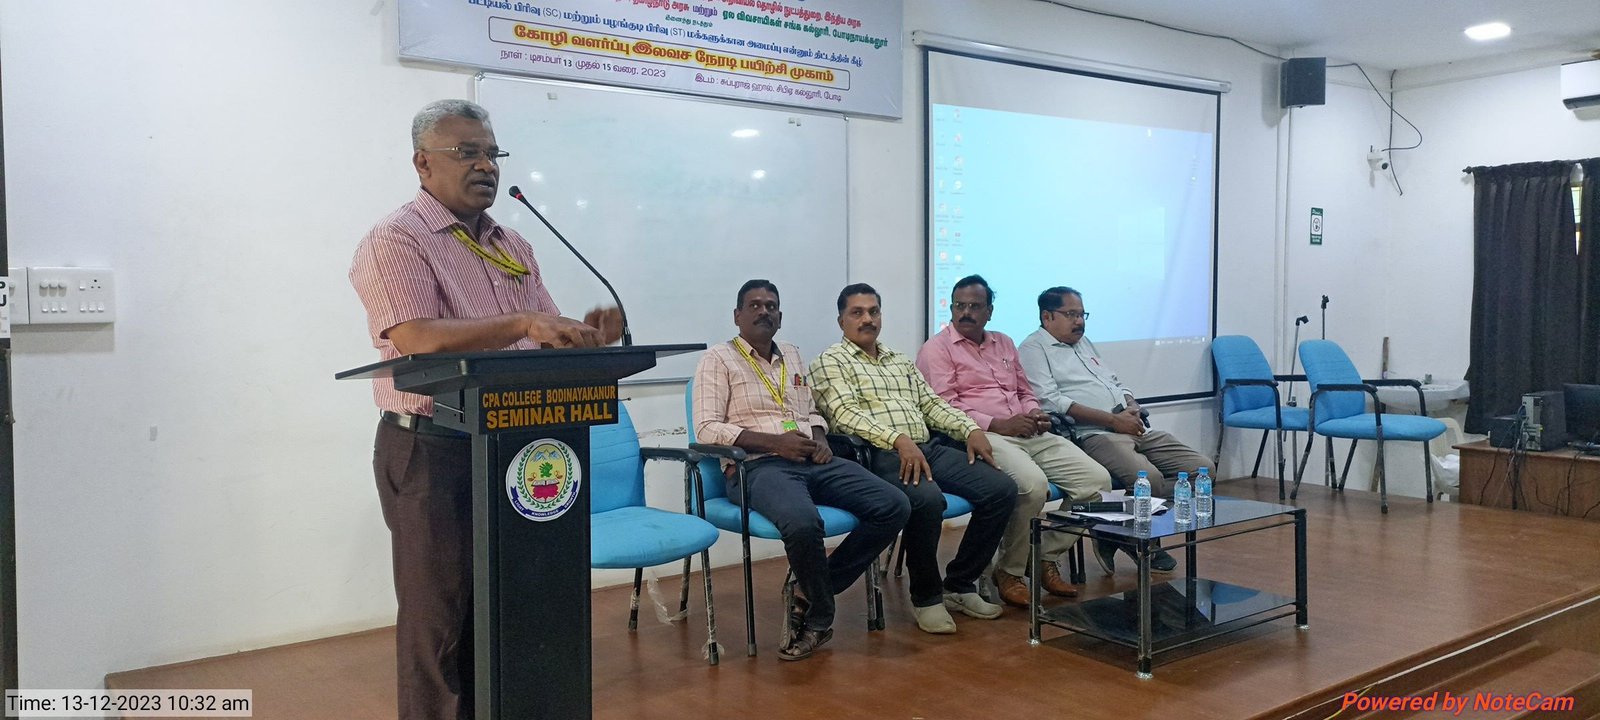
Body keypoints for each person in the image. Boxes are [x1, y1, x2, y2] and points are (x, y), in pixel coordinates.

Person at [349, 99, 622, 720]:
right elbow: (416, 336)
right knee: (439, 618)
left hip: (513, 445)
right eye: (466, 153)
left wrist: (585, 336)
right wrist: (524, 323)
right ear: (422, 163)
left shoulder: (513, 242)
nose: (486, 166)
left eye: (492, 153)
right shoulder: (398, 238)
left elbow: (539, 333)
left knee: (505, 603)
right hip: (432, 447)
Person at [692, 279, 910, 661]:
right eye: (755, 305)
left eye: (771, 305)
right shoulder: (717, 359)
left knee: (894, 505)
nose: (764, 311)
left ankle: (808, 590)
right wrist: (776, 444)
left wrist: (820, 437)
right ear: (737, 316)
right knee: (804, 523)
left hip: (810, 458)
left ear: (780, 316)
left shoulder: (791, 354)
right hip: (756, 467)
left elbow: (809, 411)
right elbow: (706, 429)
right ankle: (820, 618)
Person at [809, 283, 1015, 634]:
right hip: (877, 454)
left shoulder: (898, 360)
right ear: (841, 320)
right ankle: (927, 598)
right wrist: (897, 439)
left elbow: (931, 404)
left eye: (874, 311)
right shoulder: (830, 362)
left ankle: (959, 584)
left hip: (924, 446)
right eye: (857, 312)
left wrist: (969, 429)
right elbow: (844, 415)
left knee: (1001, 490)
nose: (867, 319)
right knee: (926, 500)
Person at [916, 275, 1111, 607]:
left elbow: (1024, 391)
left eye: (974, 306)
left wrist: (1035, 413)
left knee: (1097, 482)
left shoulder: (1004, 342)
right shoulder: (937, 349)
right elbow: (943, 406)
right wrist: (998, 424)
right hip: (980, 435)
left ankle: (1044, 555)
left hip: (1027, 430)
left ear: (989, 311)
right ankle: (1010, 571)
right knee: (1032, 486)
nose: (965, 313)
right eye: (959, 306)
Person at [1018, 286, 1211, 575]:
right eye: (1071, 314)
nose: (1079, 321)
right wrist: (1113, 421)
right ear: (1047, 316)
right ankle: (1130, 535)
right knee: (1149, 479)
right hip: (1094, 434)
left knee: (1201, 470)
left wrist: (1131, 405)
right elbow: (1051, 401)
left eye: (1082, 314)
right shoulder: (1033, 349)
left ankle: (1112, 527)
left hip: (1129, 425)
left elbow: (1115, 383)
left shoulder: (1083, 343)